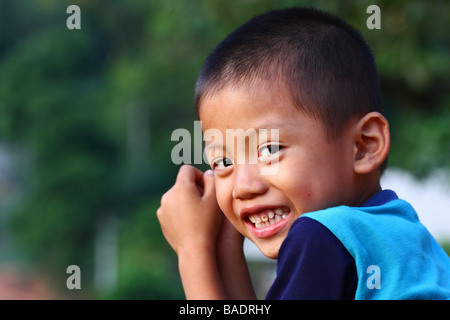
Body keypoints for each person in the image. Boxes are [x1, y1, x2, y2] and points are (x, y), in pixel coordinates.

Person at [157, 7, 450, 300]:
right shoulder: (406, 239)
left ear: (364, 146)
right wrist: (226, 245)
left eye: (270, 149)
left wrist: (193, 250)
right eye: (223, 162)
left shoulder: (322, 237)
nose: (243, 186)